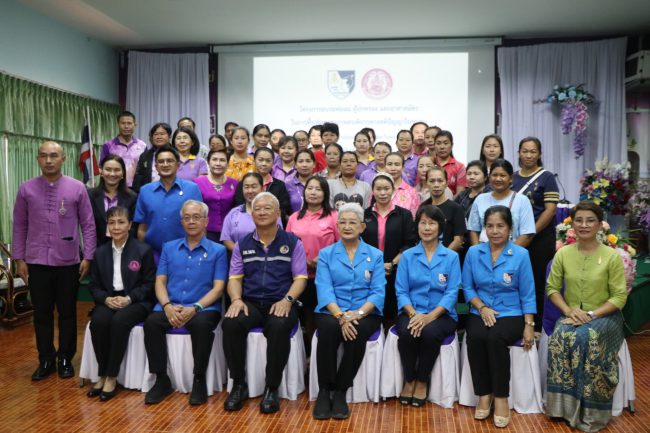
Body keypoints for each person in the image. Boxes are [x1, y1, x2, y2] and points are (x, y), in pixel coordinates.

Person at [12, 140, 96, 380]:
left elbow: (88, 225)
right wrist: (19, 258)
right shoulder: (26, 189)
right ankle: (46, 358)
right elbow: (19, 225)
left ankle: (65, 358)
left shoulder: (77, 188)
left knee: (68, 313)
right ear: (38, 159)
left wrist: (88, 256)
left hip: (68, 261)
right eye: (44, 156)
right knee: (42, 314)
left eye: (53, 156)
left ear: (63, 159)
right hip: (37, 262)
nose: (48, 160)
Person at [545, 201, 628, 432]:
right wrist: (569, 311)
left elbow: (619, 297)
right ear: (572, 224)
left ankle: (592, 412)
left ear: (600, 224)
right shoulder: (563, 254)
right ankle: (561, 409)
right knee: (560, 337)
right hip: (572, 315)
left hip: (605, 317)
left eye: (590, 220)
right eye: (579, 220)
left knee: (586, 338)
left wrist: (591, 314)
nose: (584, 225)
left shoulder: (611, 256)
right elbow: (552, 288)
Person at [222, 192, 308, 414]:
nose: (261, 212)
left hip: (280, 301)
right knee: (230, 323)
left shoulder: (292, 242)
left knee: (279, 326)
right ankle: (239, 384)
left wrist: (287, 300)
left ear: (278, 213)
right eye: (257, 208)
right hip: (250, 302)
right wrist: (236, 300)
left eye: (267, 208)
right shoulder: (243, 244)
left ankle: (272, 387)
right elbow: (234, 278)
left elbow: (300, 278)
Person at [143, 200, 228, 405]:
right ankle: (161, 379)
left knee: (201, 325)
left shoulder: (218, 250)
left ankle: (198, 379)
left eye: (196, 217)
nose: (191, 221)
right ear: (181, 222)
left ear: (206, 221)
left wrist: (196, 307)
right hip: (171, 305)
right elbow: (160, 282)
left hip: (204, 307)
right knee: (152, 323)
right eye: (187, 218)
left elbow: (218, 288)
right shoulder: (169, 248)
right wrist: (167, 306)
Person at [462, 206, 536, 428]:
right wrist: (482, 307)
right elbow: (467, 286)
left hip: (511, 312)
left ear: (510, 228)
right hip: (479, 309)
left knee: (495, 338)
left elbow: (528, 292)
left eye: (500, 226)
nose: (495, 231)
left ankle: (501, 397)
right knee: (475, 336)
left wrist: (529, 325)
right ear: (484, 229)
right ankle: (484, 394)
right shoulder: (474, 252)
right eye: (490, 226)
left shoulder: (521, 255)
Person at [312, 203, 385, 420]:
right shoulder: (326, 254)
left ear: (362, 227)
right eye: (342, 222)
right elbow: (324, 289)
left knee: (358, 331)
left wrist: (358, 314)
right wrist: (341, 316)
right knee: (328, 330)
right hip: (332, 311)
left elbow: (378, 292)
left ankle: (342, 390)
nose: (347, 226)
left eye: (352, 222)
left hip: (365, 312)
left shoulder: (375, 255)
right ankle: (325, 390)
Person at [87, 206, 155, 401]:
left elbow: (149, 284)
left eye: (121, 222)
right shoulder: (100, 253)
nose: (116, 227)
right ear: (107, 226)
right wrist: (105, 299)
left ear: (130, 225)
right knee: (98, 321)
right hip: (109, 299)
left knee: (119, 322)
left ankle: (111, 376)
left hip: (136, 300)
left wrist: (129, 298)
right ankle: (102, 373)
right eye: (112, 222)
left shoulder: (142, 250)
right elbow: (94, 285)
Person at [395, 205, 460, 407]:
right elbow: (401, 291)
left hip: (442, 314)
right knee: (407, 332)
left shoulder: (451, 257)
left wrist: (429, 317)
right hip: (411, 311)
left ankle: (422, 381)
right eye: (422, 222)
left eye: (432, 223)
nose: (427, 227)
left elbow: (452, 292)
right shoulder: (407, 256)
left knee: (430, 333)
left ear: (440, 227)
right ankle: (409, 379)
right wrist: (414, 315)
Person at [286, 176, 339, 354]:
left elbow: (342, 245)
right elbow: (287, 245)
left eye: (318, 189)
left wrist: (322, 260)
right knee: (306, 318)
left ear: (325, 193)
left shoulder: (334, 216)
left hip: (326, 277)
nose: (313, 192)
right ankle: (309, 356)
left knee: (323, 317)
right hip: (300, 278)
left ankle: (322, 354)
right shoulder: (294, 217)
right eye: (310, 188)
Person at [512, 137, 559, 332]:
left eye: (533, 151)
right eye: (525, 151)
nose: (529, 155)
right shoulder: (512, 177)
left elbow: (550, 211)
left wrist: (530, 232)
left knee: (537, 282)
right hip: (515, 239)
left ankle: (537, 327)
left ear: (539, 154)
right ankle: (516, 322)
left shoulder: (547, 177)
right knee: (514, 281)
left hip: (539, 240)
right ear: (519, 153)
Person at [361, 173, 416, 327]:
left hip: (396, 269)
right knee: (371, 308)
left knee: (392, 310)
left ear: (393, 190)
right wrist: (376, 265)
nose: (383, 193)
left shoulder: (404, 214)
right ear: (373, 191)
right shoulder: (364, 214)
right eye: (378, 189)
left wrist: (392, 263)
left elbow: (410, 243)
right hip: (368, 269)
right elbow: (360, 243)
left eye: (386, 189)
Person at [134, 146, 203, 261]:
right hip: (153, 254)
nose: (165, 164)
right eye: (161, 162)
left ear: (178, 165)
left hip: (186, 253)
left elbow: (200, 225)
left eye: (170, 161)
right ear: (156, 167)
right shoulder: (145, 191)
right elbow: (142, 228)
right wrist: (143, 254)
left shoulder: (192, 189)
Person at [468, 159, 535, 247]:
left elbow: (527, 234)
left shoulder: (522, 200)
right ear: (489, 177)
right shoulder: (480, 199)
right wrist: (477, 253)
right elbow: (473, 230)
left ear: (510, 178)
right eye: (494, 175)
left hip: (512, 255)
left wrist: (509, 254)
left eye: (502, 175)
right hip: (483, 255)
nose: (498, 179)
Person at [221, 173, 282, 252]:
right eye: (246, 187)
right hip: (239, 259)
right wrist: (240, 252)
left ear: (262, 188)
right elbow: (226, 238)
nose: (250, 191)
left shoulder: (272, 212)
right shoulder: (233, 213)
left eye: (254, 187)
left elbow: (279, 236)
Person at [88, 155, 138, 246]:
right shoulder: (90, 195)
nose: (112, 174)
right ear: (101, 172)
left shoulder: (132, 197)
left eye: (117, 170)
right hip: (97, 249)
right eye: (108, 169)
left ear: (123, 173)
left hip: (124, 248)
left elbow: (133, 228)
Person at [232, 147, 292, 222]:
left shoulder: (280, 185)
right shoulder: (244, 183)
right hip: (246, 223)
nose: (264, 164)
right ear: (254, 161)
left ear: (273, 163)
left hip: (272, 225)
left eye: (268, 161)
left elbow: (283, 209)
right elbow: (239, 204)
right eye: (260, 160)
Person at [194, 149, 239, 242]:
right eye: (214, 159)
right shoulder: (197, 182)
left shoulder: (234, 183)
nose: (218, 163)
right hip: (205, 232)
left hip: (229, 233)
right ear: (208, 162)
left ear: (227, 164)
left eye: (222, 160)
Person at [421, 167, 466, 252]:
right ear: (426, 183)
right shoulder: (423, 208)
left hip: (447, 258)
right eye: (432, 181)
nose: (436, 185)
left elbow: (458, 240)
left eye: (440, 181)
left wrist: (443, 257)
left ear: (446, 183)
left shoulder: (456, 208)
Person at [100, 111, 147, 187]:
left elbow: (145, 169)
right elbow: (102, 167)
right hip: (115, 186)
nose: (126, 126)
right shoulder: (108, 145)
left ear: (135, 125)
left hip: (137, 188)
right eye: (123, 123)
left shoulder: (142, 145)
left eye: (129, 123)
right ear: (118, 124)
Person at [454, 160, 489, 263]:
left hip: (479, 241)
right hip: (460, 242)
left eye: (476, 174)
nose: (472, 177)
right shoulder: (462, 195)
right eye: (469, 174)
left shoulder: (488, 195)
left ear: (485, 177)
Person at [132, 122, 172, 193]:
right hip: (150, 193)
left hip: (171, 191)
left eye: (162, 134)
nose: (159, 137)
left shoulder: (175, 154)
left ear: (169, 136)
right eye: (156, 134)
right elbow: (138, 178)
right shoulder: (145, 156)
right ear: (152, 137)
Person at [384, 152, 420, 218]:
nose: (393, 168)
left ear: (403, 167)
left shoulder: (411, 192)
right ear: (385, 166)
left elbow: (414, 218)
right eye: (389, 164)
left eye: (397, 164)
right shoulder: (377, 190)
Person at [433, 130, 467, 197]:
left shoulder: (459, 167)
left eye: (445, 143)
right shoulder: (428, 164)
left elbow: (460, 193)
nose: (442, 147)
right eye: (438, 143)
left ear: (452, 145)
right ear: (434, 145)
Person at [285, 149, 316, 213]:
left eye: (308, 161)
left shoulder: (320, 183)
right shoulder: (287, 185)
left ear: (314, 164)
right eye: (300, 161)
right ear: (295, 165)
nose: (304, 165)